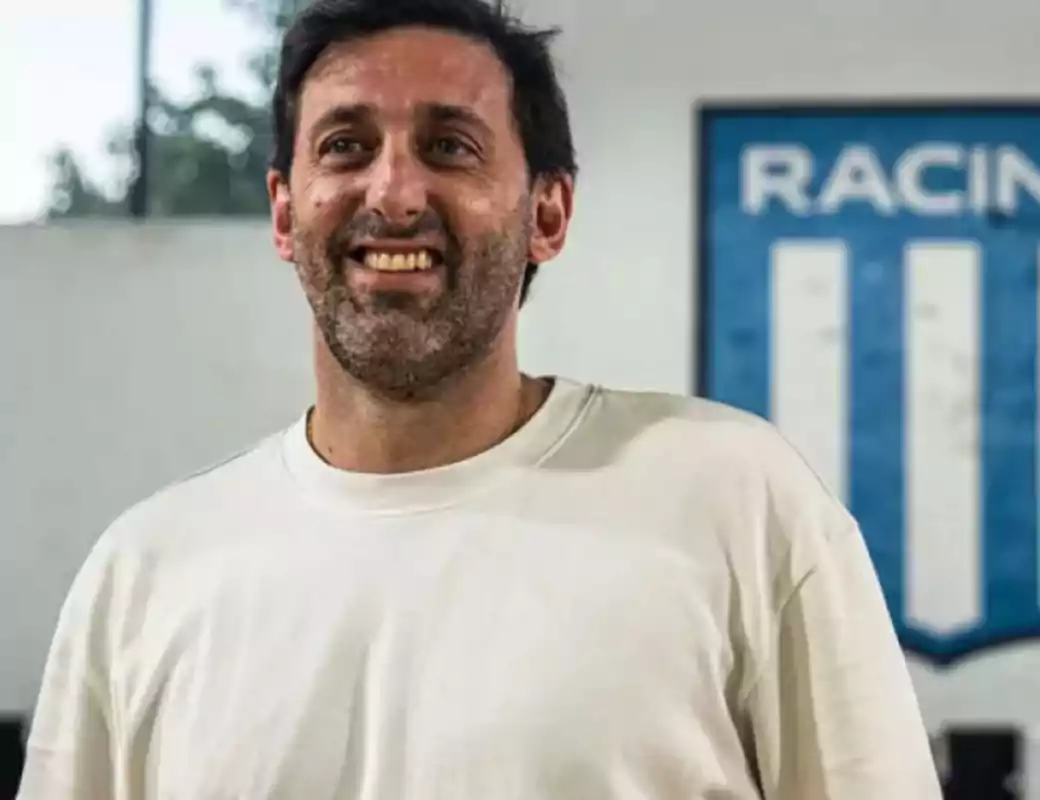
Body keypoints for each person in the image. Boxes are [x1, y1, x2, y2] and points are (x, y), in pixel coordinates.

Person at [18, 0, 942, 797]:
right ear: (285, 210)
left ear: (549, 213)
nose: (393, 191)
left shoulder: (738, 502)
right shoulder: (142, 575)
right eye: (345, 147)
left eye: (449, 147)